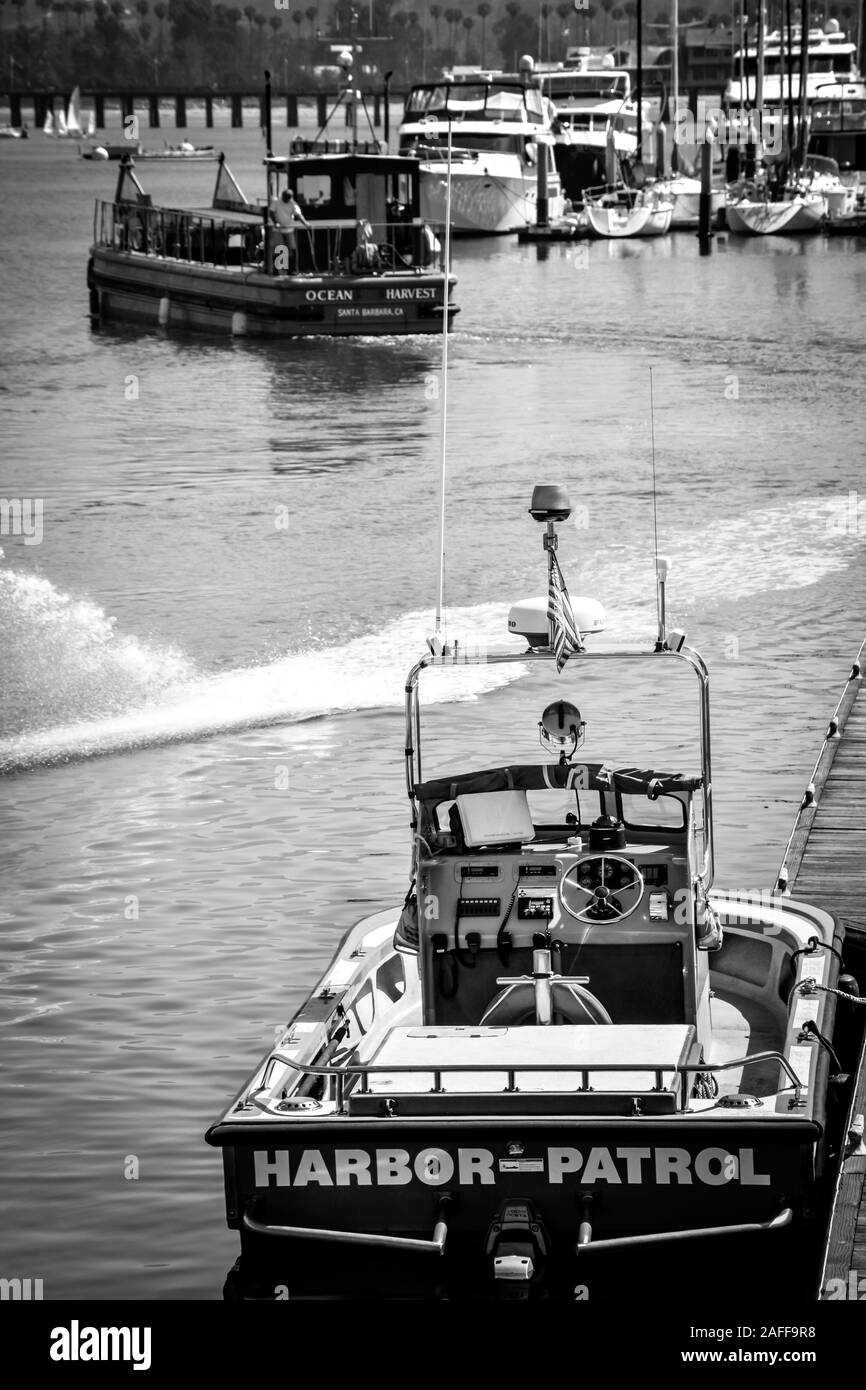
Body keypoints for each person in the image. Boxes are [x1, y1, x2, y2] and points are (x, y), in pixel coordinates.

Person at [270, 188, 310, 271]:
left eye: (287, 198)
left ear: (290, 198)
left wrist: (305, 223)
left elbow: (298, 215)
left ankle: (291, 269)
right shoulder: (276, 202)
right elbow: (271, 212)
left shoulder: (293, 204)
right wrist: (275, 223)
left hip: (289, 229)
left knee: (291, 248)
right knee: (279, 248)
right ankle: (277, 269)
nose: (286, 200)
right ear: (282, 196)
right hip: (278, 229)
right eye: (285, 198)